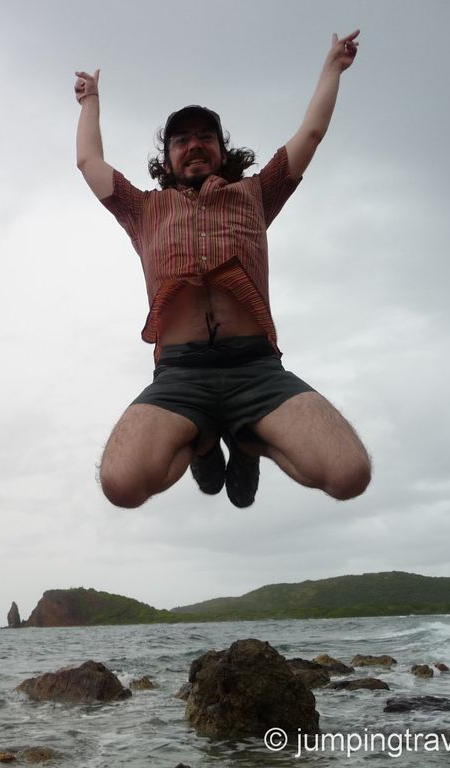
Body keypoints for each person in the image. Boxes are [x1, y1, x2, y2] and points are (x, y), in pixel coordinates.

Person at [74, 30, 371, 509]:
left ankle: (250, 440)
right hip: (180, 375)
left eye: (205, 136)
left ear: (221, 149)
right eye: (181, 139)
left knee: (350, 474)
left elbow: (310, 134)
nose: (194, 144)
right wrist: (91, 101)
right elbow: (89, 160)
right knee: (121, 485)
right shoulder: (144, 209)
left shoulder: (256, 194)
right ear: (167, 157)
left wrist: (333, 67)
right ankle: (205, 442)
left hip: (256, 369)